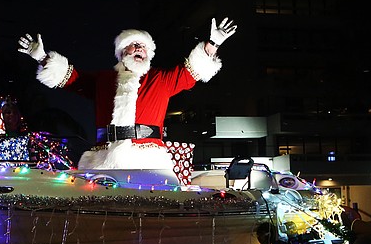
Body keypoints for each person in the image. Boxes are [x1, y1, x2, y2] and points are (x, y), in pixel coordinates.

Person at [17, 17, 237, 171]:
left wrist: (213, 44)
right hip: (104, 159)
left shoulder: (161, 79)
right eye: (133, 45)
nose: (139, 48)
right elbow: (70, 78)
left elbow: (192, 71)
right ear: (122, 52)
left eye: (143, 46)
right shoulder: (103, 80)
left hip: (149, 160)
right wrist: (42, 58)